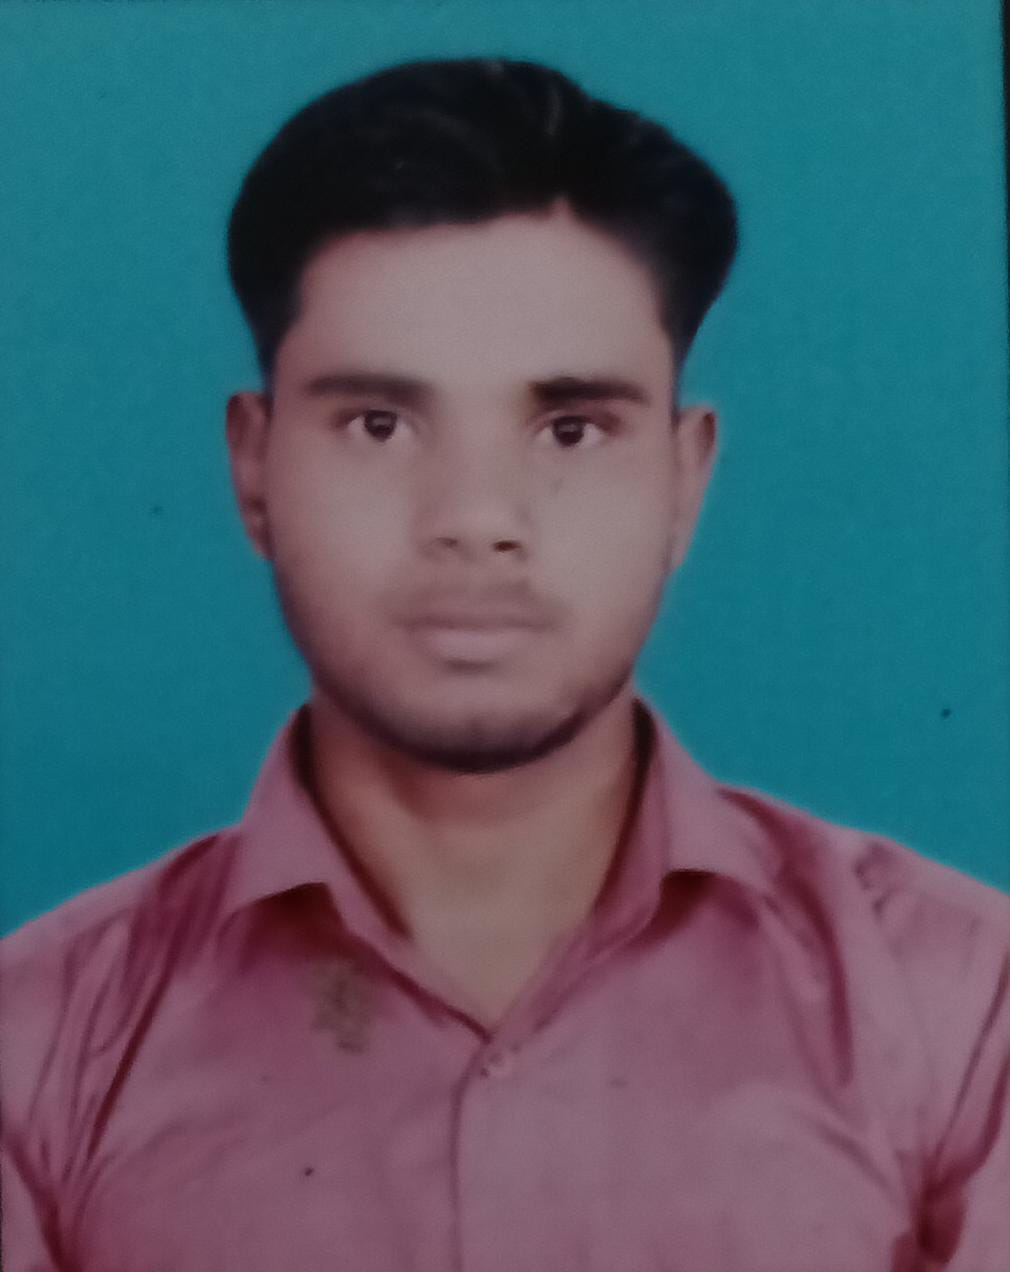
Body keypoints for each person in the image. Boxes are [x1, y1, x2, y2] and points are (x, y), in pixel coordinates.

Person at [1, 55, 1007, 1272]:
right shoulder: (33, 1046)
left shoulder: (966, 1010)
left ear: (683, 479)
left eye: (569, 429)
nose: (476, 518)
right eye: (379, 423)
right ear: (254, 467)